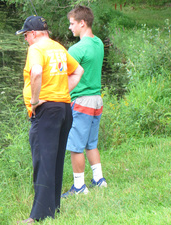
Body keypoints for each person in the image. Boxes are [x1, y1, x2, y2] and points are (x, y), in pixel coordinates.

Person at [15, 15, 84, 223]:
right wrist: (61, 92)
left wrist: (35, 101)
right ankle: (53, 208)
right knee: (54, 160)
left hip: (46, 112)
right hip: (63, 109)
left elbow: (36, 72)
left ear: (34, 33)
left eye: (26, 35)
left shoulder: (36, 49)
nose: (26, 39)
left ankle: (37, 216)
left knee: (43, 161)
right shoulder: (58, 48)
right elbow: (78, 71)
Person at [62, 6, 107, 198]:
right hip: (97, 101)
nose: (70, 28)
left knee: (76, 146)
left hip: (82, 102)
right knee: (91, 143)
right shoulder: (99, 44)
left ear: (82, 23)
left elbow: (62, 75)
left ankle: (79, 187)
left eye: (72, 24)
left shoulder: (77, 48)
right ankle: (99, 179)